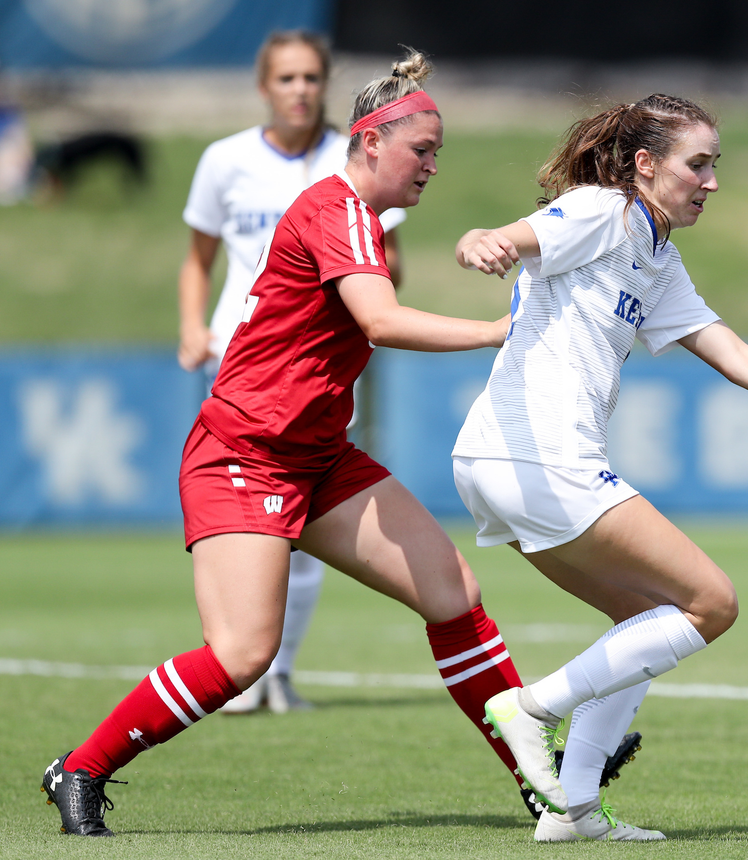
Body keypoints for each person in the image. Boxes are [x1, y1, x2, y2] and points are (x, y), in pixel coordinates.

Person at [41, 51, 532, 838]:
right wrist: (497, 331)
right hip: (245, 453)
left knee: (452, 594)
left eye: (437, 152)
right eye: (422, 150)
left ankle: (542, 775)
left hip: (317, 455)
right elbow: (380, 321)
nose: (433, 166)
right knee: (241, 657)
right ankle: (82, 768)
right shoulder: (336, 209)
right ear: (371, 142)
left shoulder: (359, 218)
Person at [451, 93, 748, 842]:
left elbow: (734, 354)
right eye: (697, 164)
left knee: (645, 618)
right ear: (645, 165)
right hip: (538, 456)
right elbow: (511, 236)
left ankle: (574, 812)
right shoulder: (605, 212)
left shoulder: (657, 255)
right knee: (712, 603)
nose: (711, 181)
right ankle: (532, 707)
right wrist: (483, 241)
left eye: (715, 165)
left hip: (495, 461)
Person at [177, 31, 405, 714]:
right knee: (247, 523)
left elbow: (389, 260)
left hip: (323, 362)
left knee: (305, 520)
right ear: (263, 87)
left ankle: (275, 669)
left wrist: (364, 304)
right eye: (286, 78)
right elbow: (198, 257)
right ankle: (236, 664)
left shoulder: (362, 158)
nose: (300, 90)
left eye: (311, 77)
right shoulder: (225, 161)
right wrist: (191, 326)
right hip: (240, 358)